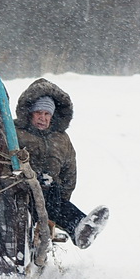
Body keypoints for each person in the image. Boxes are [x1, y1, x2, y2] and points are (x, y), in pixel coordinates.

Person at [14, 78, 109, 249]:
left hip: (50, 196)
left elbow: (69, 172)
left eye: (47, 114)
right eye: (38, 113)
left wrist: (61, 202)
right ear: (30, 113)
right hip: (18, 191)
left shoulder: (61, 139)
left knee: (53, 192)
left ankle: (80, 229)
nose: (42, 118)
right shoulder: (15, 133)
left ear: (53, 115)